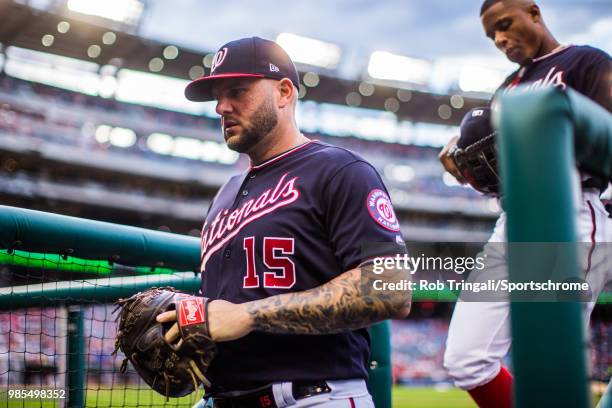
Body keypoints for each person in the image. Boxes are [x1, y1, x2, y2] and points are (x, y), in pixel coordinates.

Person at [158, 36, 411, 407]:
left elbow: (390, 287)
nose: (221, 107)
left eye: (238, 91)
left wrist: (246, 316)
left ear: (284, 92)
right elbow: (230, 304)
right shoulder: (225, 193)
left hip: (312, 396)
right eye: (217, 96)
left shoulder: (341, 170)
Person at [439, 1, 612, 407]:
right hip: (514, 218)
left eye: (504, 25)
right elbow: (495, 172)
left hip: (572, 209)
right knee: (465, 359)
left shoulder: (586, 61)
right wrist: (464, 167)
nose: (500, 39)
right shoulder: (508, 87)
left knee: (553, 359)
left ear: (533, 13)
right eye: (491, 35)